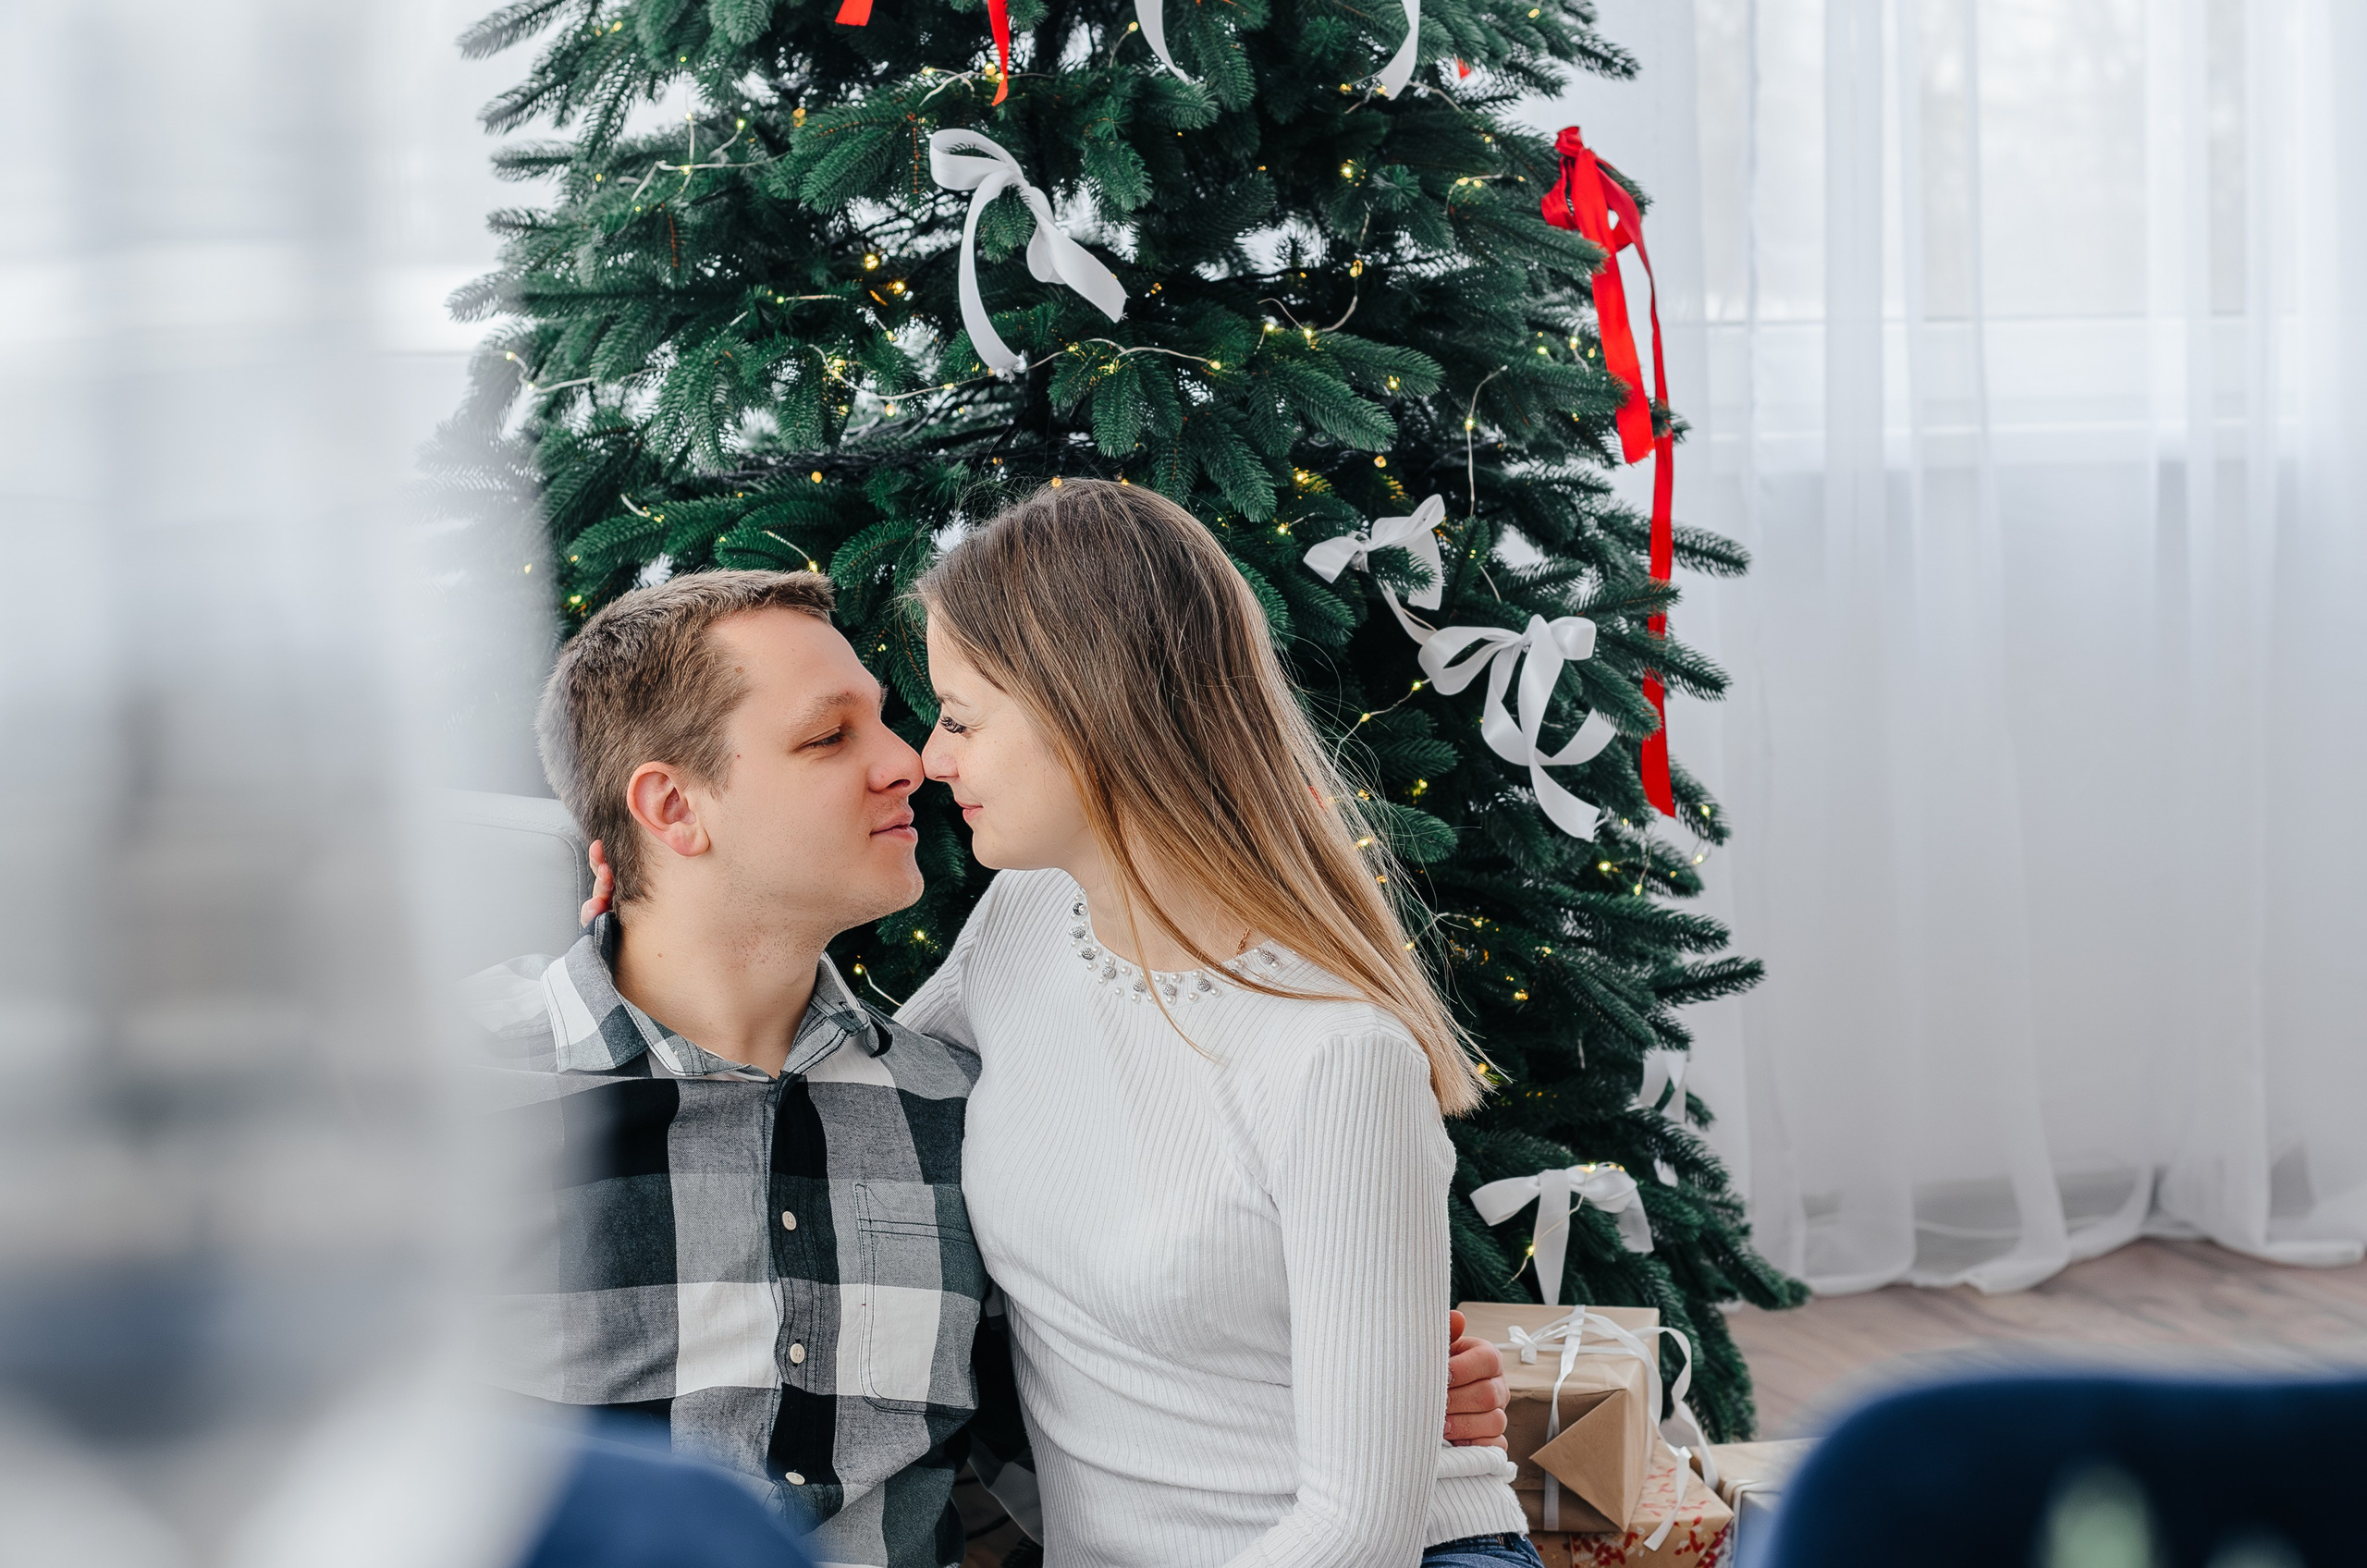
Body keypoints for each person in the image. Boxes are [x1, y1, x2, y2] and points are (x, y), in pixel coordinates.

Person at [475, 568, 1508, 1568]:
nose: (911, 762)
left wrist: (1379, 1387)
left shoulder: (938, 1102)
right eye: (829, 737)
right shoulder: (452, 1103)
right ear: (668, 810)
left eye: (911, 718)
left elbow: (1103, 1392)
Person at [895, 480, 1532, 1568]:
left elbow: (1356, 1529)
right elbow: (856, 1089)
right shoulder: (1025, 918)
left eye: (959, 716)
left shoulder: (1335, 1059)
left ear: (1085, 711)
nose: (928, 758)